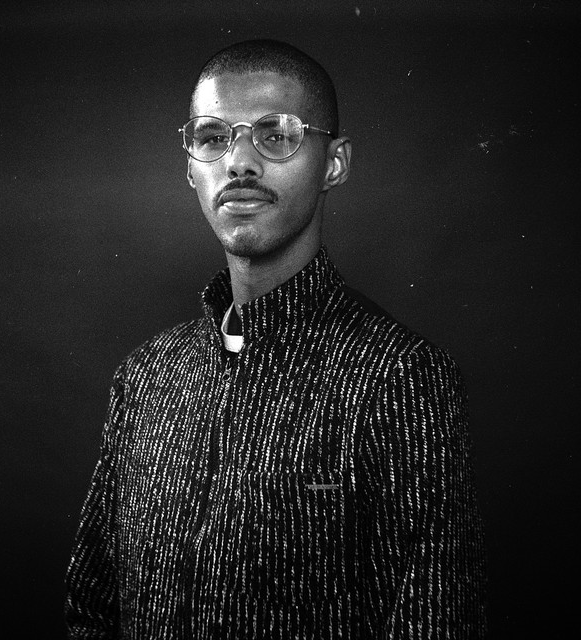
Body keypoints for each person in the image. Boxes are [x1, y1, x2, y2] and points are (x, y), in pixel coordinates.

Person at [65, 39, 487, 639]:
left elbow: (435, 623)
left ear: (334, 163)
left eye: (276, 134)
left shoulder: (401, 378)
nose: (239, 161)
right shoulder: (147, 375)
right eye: (213, 136)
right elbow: (91, 610)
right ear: (190, 166)